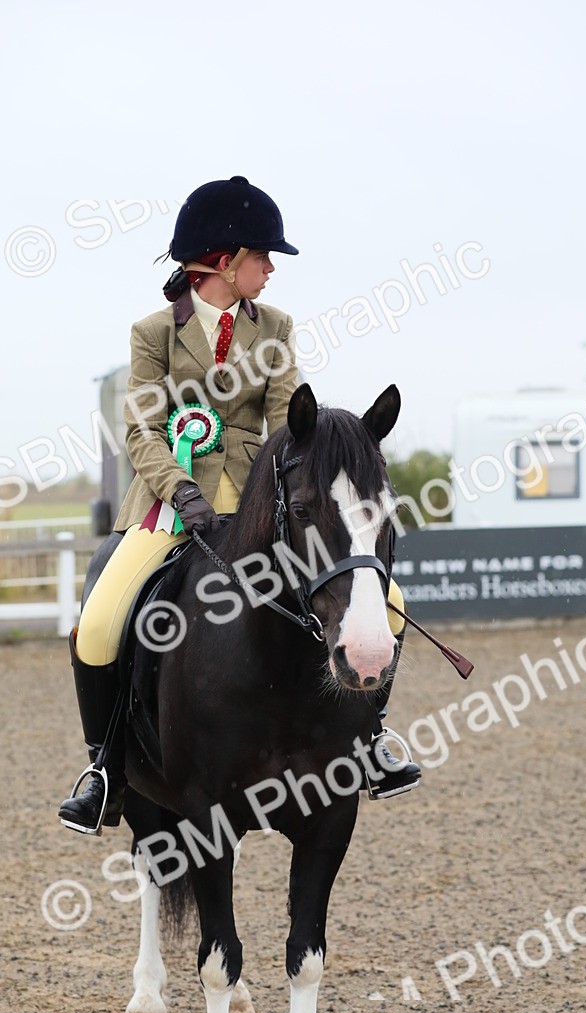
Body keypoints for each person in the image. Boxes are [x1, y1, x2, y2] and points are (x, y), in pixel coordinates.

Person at [58, 176, 420, 835]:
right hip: (170, 506)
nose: (272, 269)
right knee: (101, 623)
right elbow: (141, 427)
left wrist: (285, 488)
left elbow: (290, 423)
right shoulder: (152, 335)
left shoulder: (275, 328)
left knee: (389, 605)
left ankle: (369, 742)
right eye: (263, 257)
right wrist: (183, 491)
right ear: (224, 262)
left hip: (266, 505)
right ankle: (104, 769)